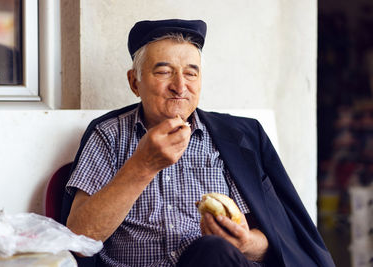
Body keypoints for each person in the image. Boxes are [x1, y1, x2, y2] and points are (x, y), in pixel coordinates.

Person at [61, 19, 335, 267]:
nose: (180, 86)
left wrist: (246, 244)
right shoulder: (108, 135)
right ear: (135, 82)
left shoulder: (237, 137)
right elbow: (78, 238)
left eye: (191, 73)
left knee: (212, 250)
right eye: (164, 72)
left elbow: (279, 241)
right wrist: (142, 166)